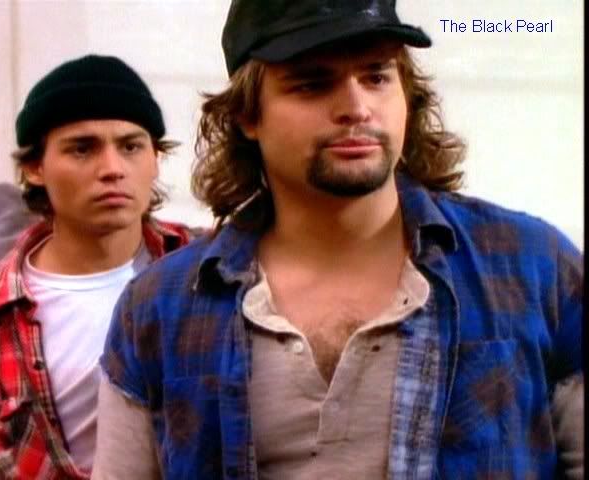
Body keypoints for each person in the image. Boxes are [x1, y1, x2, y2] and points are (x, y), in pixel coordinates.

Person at [92, 1, 584, 479]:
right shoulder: (160, 307)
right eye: (312, 84)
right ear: (247, 115)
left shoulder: (531, 267)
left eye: (376, 76)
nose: (356, 107)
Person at [0, 54, 198, 479]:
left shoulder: (206, 272)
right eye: (83, 148)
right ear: (34, 167)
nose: (112, 169)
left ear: (156, 158)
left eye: (131, 146)